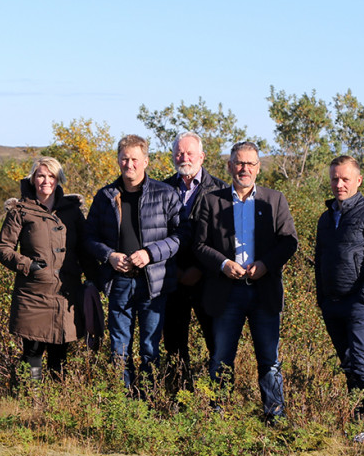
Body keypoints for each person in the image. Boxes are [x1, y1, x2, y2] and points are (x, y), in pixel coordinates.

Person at [192, 142, 298, 423]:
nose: (245, 169)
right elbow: (199, 244)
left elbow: (289, 242)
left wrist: (266, 264)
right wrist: (224, 264)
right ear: (229, 166)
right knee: (221, 358)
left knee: (269, 360)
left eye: (251, 164)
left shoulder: (274, 200)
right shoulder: (211, 200)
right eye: (239, 163)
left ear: (259, 167)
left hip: (264, 290)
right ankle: (219, 415)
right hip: (227, 293)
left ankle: (275, 415)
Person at [84, 135, 182, 391]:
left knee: (150, 346)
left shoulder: (165, 194)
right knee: (119, 345)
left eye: (135, 159)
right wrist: (109, 256)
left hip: (154, 283)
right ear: (118, 160)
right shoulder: (105, 196)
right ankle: (123, 402)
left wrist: (150, 253)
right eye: (125, 158)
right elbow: (89, 237)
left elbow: (181, 236)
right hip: (119, 282)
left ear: (146, 161)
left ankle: (149, 401)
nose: (130, 164)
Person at [315, 156, 364, 436]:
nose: (339, 184)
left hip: (360, 304)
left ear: (358, 181)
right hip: (332, 304)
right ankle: (358, 422)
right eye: (335, 178)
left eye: (345, 179)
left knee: (362, 362)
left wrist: (363, 297)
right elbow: (320, 257)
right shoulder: (326, 218)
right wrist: (321, 297)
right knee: (348, 364)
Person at [0, 157, 87, 380]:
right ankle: (31, 403)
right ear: (33, 178)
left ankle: (55, 409)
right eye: (41, 175)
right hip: (33, 294)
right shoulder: (20, 210)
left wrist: (94, 280)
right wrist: (28, 265)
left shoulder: (72, 210)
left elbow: (85, 248)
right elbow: (3, 248)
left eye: (51, 176)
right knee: (32, 355)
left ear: (58, 179)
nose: (46, 181)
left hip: (66, 293)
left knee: (60, 354)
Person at [161, 132, 226, 386]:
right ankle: (178, 395)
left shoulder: (220, 190)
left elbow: (224, 239)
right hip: (173, 279)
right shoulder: (161, 188)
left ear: (202, 156)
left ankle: (219, 398)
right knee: (174, 343)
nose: (184, 158)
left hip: (209, 279)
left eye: (189, 153)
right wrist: (175, 270)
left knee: (216, 341)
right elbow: (157, 234)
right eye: (179, 153)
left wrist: (199, 268)